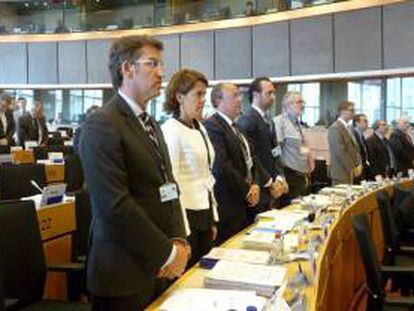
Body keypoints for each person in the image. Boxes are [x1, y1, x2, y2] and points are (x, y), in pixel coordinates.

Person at [78, 35, 189, 310]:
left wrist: (178, 240)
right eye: (152, 64)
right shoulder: (101, 124)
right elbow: (115, 206)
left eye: (161, 64)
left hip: (159, 266)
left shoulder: (151, 123)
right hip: (123, 275)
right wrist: (167, 253)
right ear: (127, 69)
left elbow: (169, 185)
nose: (161, 72)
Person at [161, 69, 219, 267]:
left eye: (205, 94)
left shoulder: (199, 127)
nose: (203, 100)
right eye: (198, 94)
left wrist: (212, 218)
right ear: (179, 97)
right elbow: (171, 183)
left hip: (204, 212)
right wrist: (179, 233)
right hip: (186, 217)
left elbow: (207, 175)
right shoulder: (170, 130)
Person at [204, 83, 261, 244]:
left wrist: (256, 183)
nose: (240, 99)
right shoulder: (212, 126)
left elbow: (252, 158)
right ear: (218, 100)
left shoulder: (236, 127)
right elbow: (222, 166)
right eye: (235, 95)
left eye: (240, 95)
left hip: (246, 203)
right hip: (229, 205)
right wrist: (247, 190)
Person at [237, 77, 287, 214]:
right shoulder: (247, 121)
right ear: (255, 95)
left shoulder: (268, 119)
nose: (273, 97)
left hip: (274, 187)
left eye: (274, 93)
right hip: (260, 187)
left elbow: (275, 151)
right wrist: (270, 182)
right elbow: (252, 157)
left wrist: (279, 176)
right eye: (269, 93)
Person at [274, 91, 314, 201]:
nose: (303, 105)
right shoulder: (280, 122)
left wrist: (309, 156)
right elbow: (277, 151)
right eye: (299, 102)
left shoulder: (298, 124)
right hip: (289, 176)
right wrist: (281, 177)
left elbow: (300, 148)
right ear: (288, 105)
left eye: (303, 102)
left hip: (301, 175)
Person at [328, 101, 362, 185]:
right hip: (341, 172)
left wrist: (358, 164)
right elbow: (340, 152)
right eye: (351, 110)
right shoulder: (335, 128)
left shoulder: (348, 127)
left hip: (349, 170)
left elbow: (354, 149)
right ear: (342, 111)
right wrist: (353, 168)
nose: (354, 113)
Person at [353, 113, 371, 181]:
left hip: (364, 168)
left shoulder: (362, 136)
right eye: (365, 121)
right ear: (357, 123)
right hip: (357, 169)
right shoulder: (352, 135)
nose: (367, 123)